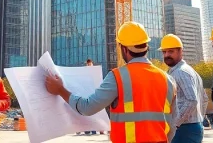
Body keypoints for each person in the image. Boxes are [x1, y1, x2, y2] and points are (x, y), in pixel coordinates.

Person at [45, 21, 178, 143]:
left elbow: (87, 107)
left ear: (124, 49)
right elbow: (173, 123)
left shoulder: (118, 76)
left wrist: (61, 90)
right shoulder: (168, 80)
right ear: (146, 46)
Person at [160, 34, 208, 143]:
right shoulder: (191, 71)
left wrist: (175, 124)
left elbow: (192, 100)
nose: (167, 55)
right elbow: (204, 99)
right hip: (193, 126)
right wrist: (198, 119)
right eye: (164, 52)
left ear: (181, 51)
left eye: (171, 51)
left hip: (184, 129)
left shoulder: (180, 72)